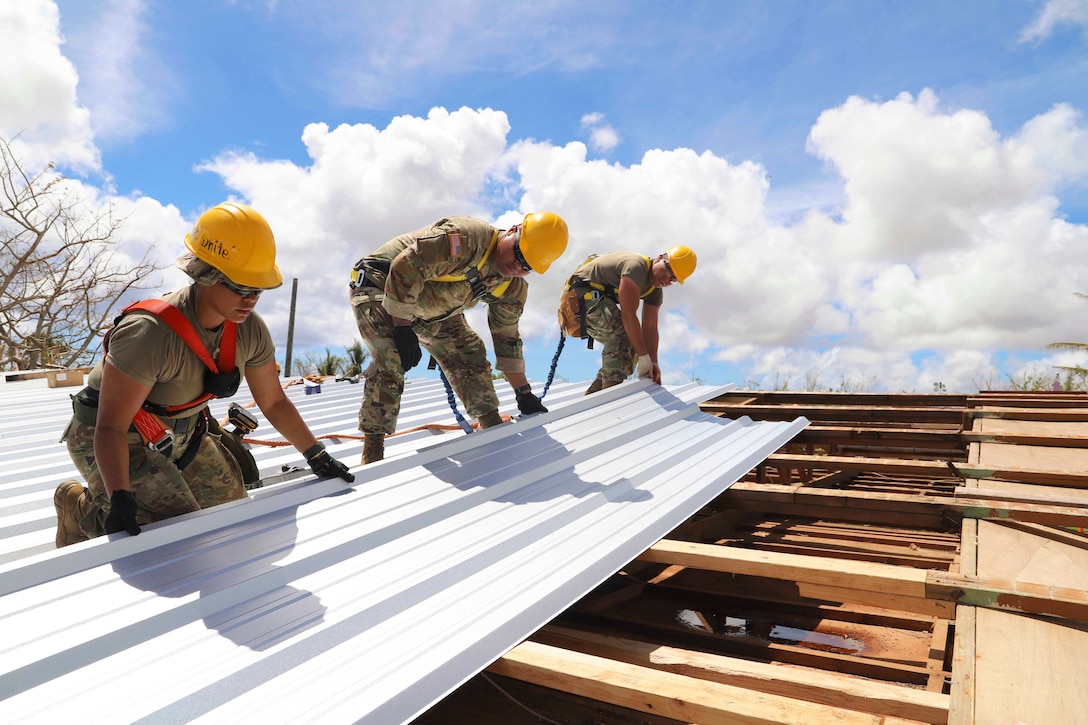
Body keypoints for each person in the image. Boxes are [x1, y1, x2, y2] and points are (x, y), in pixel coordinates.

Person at [54, 202, 354, 547]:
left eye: (258, 288)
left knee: (234, 521)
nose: (251, 299)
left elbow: (272, 400)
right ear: (204, 274)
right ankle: (81, 508)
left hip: (186, 432)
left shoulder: (249, 330)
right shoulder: (148, 334)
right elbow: (110, 427)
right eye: (240, 287)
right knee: (170, 536)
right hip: (114, 435)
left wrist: (316, 455)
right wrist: (120, 496)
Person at [349, 212, 569, 464]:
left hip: (429, 309)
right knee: (391, 359)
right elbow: (407, 265)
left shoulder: (512, 287)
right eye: (518, 254)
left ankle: (491, 426)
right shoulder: (466, 238)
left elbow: (507, 339)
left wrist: (524, 393)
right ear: (512, 231)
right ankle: (373, 451)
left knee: (469, 351)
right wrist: (401, 327)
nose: (517, 266)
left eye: (527, 266)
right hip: (382, 284)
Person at [558, 246, 697, 395]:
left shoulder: (654, 291)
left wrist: (653, 362)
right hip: (579, 295)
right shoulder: (636, 267)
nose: (668, 279)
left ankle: (596, 393)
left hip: (595, 299)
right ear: (660, 258)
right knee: (623, 333)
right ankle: (609, 394)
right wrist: (643, 357)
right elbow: (628, 316)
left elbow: (649, 329)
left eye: (674, 279)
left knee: (634, 344)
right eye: (669, 271)